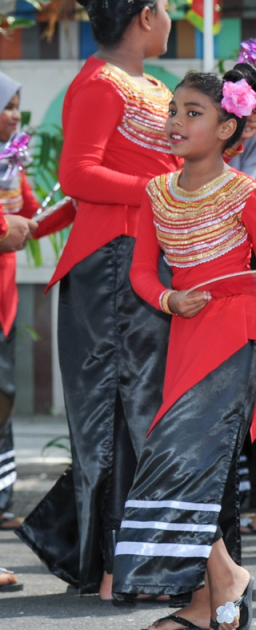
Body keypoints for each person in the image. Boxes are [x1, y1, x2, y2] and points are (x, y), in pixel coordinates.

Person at [119, 65, 256, 630]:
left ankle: (219, 585)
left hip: (236, 335)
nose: (175, 121)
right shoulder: (156, 191)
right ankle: (215, 592)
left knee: (189, 462)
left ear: (228, 129)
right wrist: (171, 301)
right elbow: (141, 275)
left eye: (192, 114)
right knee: (204, 471)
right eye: (174, 110)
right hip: (185, 335)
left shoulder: (245, 191)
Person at [16, 0, 181, 600]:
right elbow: (82, 174)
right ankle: (114, 569)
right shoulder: (99, 85)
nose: (171, 17)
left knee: (140, 410)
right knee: (120, 413)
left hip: (138, 257)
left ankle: (111, 561)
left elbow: (87, 186)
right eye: (165, 7)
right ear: (142, 17)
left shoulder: (152, 85)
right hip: (111, 264)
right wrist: (166, 190)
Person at [0, 71, 43, 533]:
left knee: (4, 395)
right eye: (8, 106)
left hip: (5, 297)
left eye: (17, 107)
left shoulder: (11, 161)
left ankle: (2, 496)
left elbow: (30, 213)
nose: (15, 115)